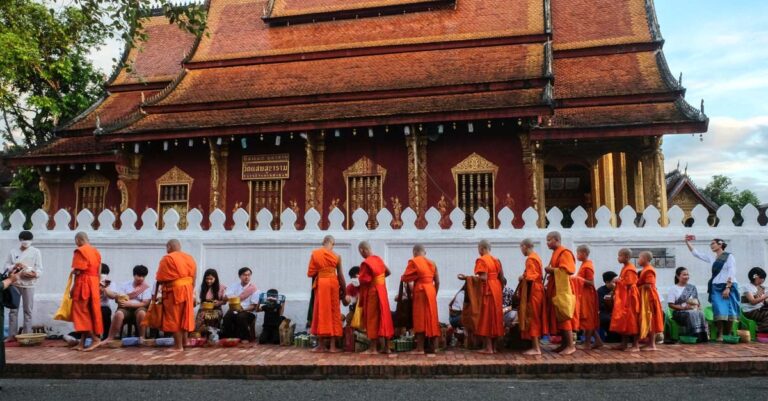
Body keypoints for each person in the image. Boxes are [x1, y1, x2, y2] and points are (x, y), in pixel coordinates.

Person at [685, 236, 738, 341]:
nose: (711, 245)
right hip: (716, 286)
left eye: (713, 243)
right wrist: (687, 242)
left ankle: (728, 334)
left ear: (720, 244)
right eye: (711, 244)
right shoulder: (712, 257)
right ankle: (720, 334)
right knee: (718, 309)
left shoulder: (729, 257)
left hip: (729, 285)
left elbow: (732, 271)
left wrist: (728, 287)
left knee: (729, 310)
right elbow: (696, 254)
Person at [458, 240, 505, 354]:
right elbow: (502, 278)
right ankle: (493, 347)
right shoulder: (496, 260)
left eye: (478, 249)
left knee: (486, 318)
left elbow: (483, 277)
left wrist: (468, 278)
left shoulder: (482, 260)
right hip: (497, 289)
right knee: (495, 318)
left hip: (488, 291)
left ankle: (488, 348)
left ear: (482, 248)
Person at [156, 239, 197, 352]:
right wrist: (191, 290)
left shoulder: (168, 258)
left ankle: (178, 347)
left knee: (175, 318)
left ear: (169, 247)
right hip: (188, 289)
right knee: (185, 316)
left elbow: (160, 277)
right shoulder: (189, 258)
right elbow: (194, 276)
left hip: (174, 291)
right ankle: (185, 342)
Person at [307, 235, 345, 353]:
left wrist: (321, 272)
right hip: (333, 283)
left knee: (321, 311)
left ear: (323, 242)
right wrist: (344, 289)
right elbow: (340, 275)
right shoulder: (337, 256)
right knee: (334, 312)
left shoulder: (315, 254)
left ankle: (321, 345)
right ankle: (333, 346)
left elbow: (311, 273)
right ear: (333, 244)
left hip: (322, 284)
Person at [400, 244, 440, 355]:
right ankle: (435, 347)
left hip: (421, 291)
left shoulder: (414, 261)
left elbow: (406, 278)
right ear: (424, 252)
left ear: (415, 252)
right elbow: (437, 282)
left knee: (420, 318)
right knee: (432, 318)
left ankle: (420, 348)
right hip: (431, 291)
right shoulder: (432, 263)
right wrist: (433, 294)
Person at [4, 230, 43, 342]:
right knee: (13, 310)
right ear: (20, 240)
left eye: (28, 241)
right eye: (24, 240)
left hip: (29, 284)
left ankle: (27, 335)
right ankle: (12, 335)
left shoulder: (36, 252)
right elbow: (6, 267)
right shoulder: (13, 251)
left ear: (31, 241)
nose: (26, 243)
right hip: (15, 283)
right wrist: (14, 266)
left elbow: (40, 269)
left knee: (28, 310)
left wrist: (35, 274)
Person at [357, 241, 394, 354]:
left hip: (373, 292)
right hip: (382, 291)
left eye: (360, 252)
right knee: (385, 316)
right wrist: (379, 280)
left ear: (363, 250)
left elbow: (364, 280)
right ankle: (387, 347)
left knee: (372, 318)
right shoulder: (379, 259)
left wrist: (359, 278)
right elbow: (388, 272)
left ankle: (373, 348)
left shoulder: (366, 263)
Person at [544, 231, 577, 355]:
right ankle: (564, 344)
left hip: (563, 289)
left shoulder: (565, 253)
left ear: (557, 239)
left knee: (564, 314)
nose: (547, 243)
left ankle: (570, 345)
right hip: (555, 287)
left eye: (549, 240)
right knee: (558, 316)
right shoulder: (555, 253)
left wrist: (551, 270)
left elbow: (567, 271)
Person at [69, 232, 103, 352]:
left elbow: (78, 271)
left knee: (81, 313)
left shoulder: (80, 251)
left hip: (83, 283)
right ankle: (82, 343)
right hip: (93, 283)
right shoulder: (96, 252)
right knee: (88, 312)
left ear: (78, 240)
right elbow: (99, 272)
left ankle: (94, 339)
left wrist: (73, 287)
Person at [105, 265, 152, 341]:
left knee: (142, 313)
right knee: (118, 314)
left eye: (143, 276)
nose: (141, 278)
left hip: (139, 308)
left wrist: (131, 304)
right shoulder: (125, 285)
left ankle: (142, 337)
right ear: (134, 275)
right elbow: (118, 298)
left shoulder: (146, 287)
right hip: (125, 308)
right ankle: (110, 338)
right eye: (139, 276)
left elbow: (145, 303)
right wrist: (120, 301)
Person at [517, 238, 545, 355]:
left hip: (533, 291)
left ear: (525, 246)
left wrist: (522, 278)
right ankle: (536, 346)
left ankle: (536, 348)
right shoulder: (536, 257)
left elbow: (531, 277)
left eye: (521, 248)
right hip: (537, 289)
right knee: (535, 317)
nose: (521, 251)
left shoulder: (531, 259)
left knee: (532, 317)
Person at [610, 248, 640, 352]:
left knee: (632, 320)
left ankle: (635, 345)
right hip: (625, 297)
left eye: (620, 256)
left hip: (630, 297)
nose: (618, 258)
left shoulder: (630, 268)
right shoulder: (625, 267)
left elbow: (630, 284)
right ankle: (624, 344)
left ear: (626, 257)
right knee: (624, 320)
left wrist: (618, 281)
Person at [667, 267, 708, 342]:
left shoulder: (692, 288)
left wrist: (698, 307)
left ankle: (702, 337)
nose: (687, 277)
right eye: (684, 275)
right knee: (690, 314)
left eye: (687, 275)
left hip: (692, 310)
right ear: (678, 276)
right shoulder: (673, 289)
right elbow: (670, 305)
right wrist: (684, 308)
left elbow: (697, 301)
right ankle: (693, 336)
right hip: (679, 313)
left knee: (701, 313)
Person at [575, 245, 603, 350]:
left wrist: (577, 279)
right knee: (587, 318)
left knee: (588, 319)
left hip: (589, 295)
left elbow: (591, 282)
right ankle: (598, 341)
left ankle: (587, 343)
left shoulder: (588, 266)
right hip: (584, 294)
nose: (577, 255)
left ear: (584, 254)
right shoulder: (584, 264)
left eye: (578, 253)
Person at [223, 267, 259, 342]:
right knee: (227, 317)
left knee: (241, 316)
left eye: (249, 275)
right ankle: (230, 338)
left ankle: (245, 338)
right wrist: (229, 298)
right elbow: (226, 297)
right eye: (244, 275)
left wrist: (242, 309)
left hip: (248, 312)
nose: (247, 277)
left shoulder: (254, 289)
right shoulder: (234, 286)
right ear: (240, 276)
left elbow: (253, 306)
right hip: (234, 310)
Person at [637, 251, 663, 351]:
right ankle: (649, 343)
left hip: (650, 298)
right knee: (648, 319)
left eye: (639, 258)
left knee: (651, 319)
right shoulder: (645, 270)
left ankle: (652, 344)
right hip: (646, 297)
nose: (638, 260)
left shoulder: (649, 270)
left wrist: (635, 287)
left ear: (645, 259)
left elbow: (648, 285)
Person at [195, 268, 227, 334]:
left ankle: (212, 334)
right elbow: (200, 301)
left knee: (209, 316)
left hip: (216, 309)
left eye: (211, 279)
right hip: (203, 309)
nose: (209, 281)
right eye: (207, 279)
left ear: (215, 278)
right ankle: (201, 335)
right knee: (201, 317)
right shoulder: (202, 287)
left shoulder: (221, 287)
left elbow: (225, 301)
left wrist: (218, 303)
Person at [741, 267, 768, 333]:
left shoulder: (761, 288)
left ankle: (761, 328)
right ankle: (758, 329)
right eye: (762, 278)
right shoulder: (747, 287)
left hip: (759, 310)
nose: (763, 280)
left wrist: (765, 299)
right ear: (755, 277)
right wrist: (765, 296)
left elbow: (763, 301)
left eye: (763, 278)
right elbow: (752, 301)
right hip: (750, 311)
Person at [597, 271, 621, 343]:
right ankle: (611, 338)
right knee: (607, 319)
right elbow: (600, 305)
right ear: (607, 282)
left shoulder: (619, 290)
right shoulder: (601, 291)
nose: (616, 284)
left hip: (618, 311)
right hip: (605, 312)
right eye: (614, 282)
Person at [98, 264, 114, 340]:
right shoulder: (92, 281)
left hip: (104, 306)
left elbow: (112, 296)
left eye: (104, 274)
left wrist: (105, 287)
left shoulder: (109, 282)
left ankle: (106, 336)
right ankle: (95, 336)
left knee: (105, 311)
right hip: (93, 306)